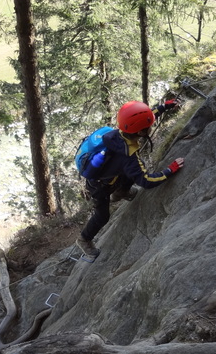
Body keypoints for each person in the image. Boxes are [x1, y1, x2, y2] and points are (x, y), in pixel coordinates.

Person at [76, 100, 184, 258]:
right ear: (140, 133)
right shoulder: (128, 157)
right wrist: (170, 170)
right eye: (148, 127)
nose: (151, 127)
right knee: (103, 215)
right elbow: (146, 181)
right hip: (99, 187)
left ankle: (120, 193)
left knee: (130, 173)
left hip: (110, 175)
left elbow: (143, 119)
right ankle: (84, 239)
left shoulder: (121, 132)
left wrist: (165, 107)